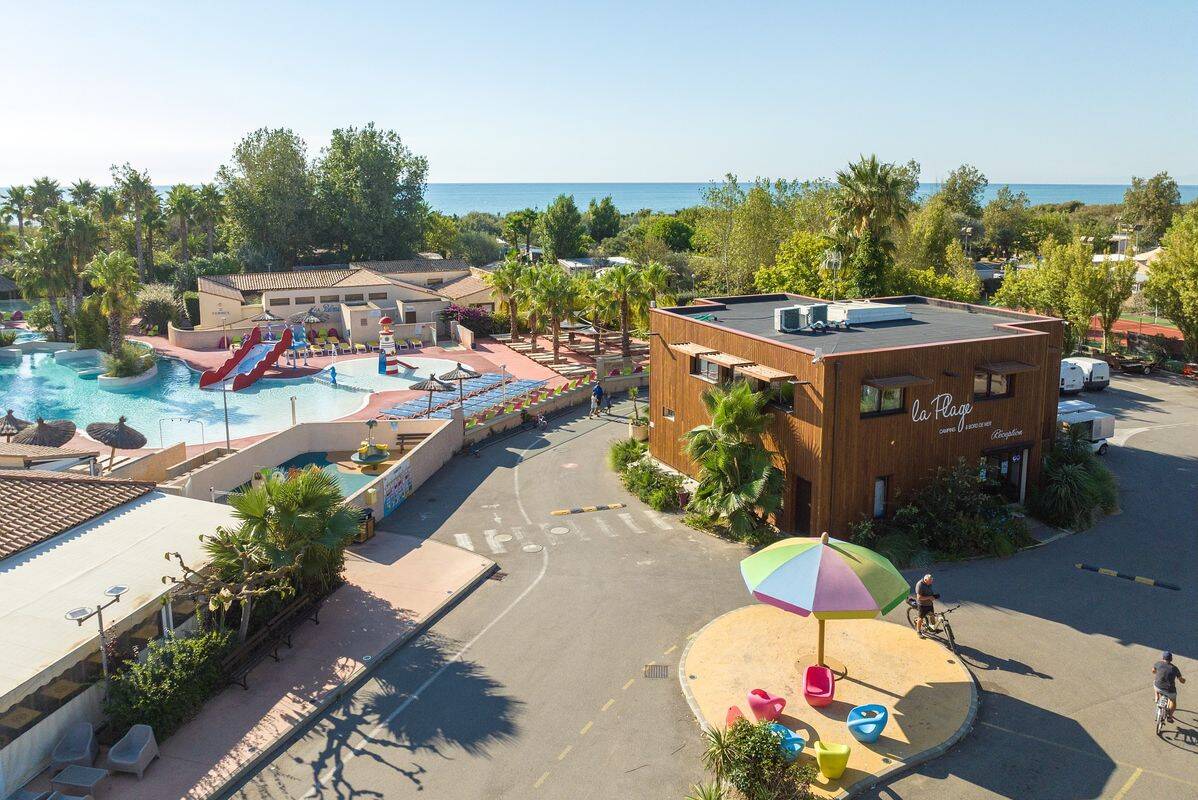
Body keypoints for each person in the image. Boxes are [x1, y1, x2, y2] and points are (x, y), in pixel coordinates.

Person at [1154, 651, 1185, 723]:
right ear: (1171, 659)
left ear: (1162, 658)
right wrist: (1183, 680)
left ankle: (1156, 696)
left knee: (1154, 683)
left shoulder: (1158, 663)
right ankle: (1170, 717)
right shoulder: (1175, 669)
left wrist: (1158, 672)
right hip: (1170, 690)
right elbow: (1181, 680)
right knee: (1173, 702)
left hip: (1158, 687)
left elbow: (1153, 671)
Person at [913, 574, 939, 638]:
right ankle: (918, 631)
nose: (931, 582)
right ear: (925, 580)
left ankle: (933, 628)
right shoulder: (920, 585)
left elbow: (929, 592)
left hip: (929, 604)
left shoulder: (929, 583)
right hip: (922, 605)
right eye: (930, 581)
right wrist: (930, 597)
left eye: (931, 581)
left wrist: (934, 596)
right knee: (920, 618)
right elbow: (919, 598)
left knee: (932, 615)